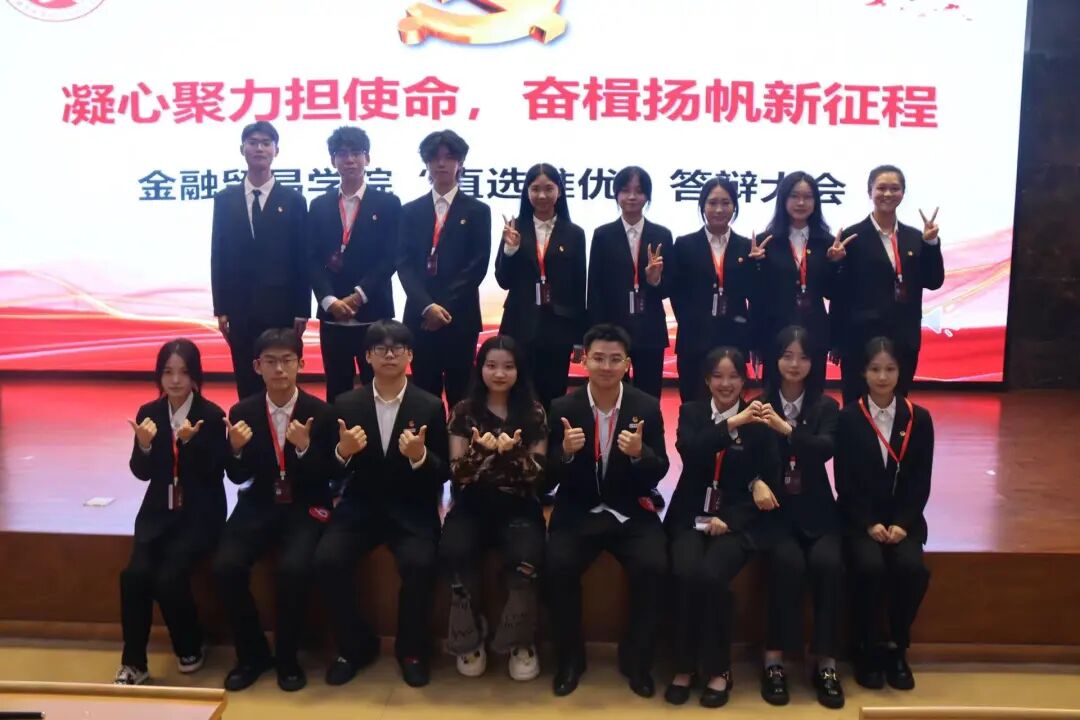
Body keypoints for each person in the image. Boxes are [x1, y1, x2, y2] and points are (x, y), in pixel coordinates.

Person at [314, 320, 449, 688]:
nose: (390, 354)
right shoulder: (346, 403)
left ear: (410, 356)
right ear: (367, 357)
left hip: (412, 507)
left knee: (421, 564)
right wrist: (343, 452)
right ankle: (354, 647)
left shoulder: (430, 405)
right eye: (380, 348)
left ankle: (412, 651)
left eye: (398, 348)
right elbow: (327, 469)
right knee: (327, 559)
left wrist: (421, 457)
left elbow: (444, 472)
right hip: (360, 504)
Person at [545, 324, 669, 698]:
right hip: (578, 509)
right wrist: (566, 453)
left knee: (654, 566)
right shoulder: (562, 407)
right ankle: (570, 660)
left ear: (627, 364)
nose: (606, 366)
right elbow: (546, 476)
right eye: (598, 358)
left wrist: (640, 455)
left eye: (615, 359)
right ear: (584, 360)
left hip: (630, 509)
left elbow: (660, 468)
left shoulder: (645, 406)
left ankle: (637, 660)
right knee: (558, 566)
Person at [211, 328, 338, 692]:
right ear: (257, 366)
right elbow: (237, 476)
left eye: (287, 360)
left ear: (301, 364)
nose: (279, 369)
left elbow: (329, 476)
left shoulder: (321, 412)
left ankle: (287, 659)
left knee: (294, 569)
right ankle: (251, 655)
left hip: (306, 505)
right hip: (260, 502)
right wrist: (235, 450)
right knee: (226, 566)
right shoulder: (243, 411)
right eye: (271, 361)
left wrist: (304, 449)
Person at [663, 346, 780, 708]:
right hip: (690, 516)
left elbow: (769, 478)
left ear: (744, 380)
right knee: (684, 572)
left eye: (733, 377)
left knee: (712, 575)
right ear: (706, 379)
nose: (725, 384)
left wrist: (729, 519)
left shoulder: (760, 420)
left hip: (737, 521)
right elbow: (692, 451)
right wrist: (732, 423)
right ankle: (683, 666)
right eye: (718, 376)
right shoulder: (692, 412)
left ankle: (718, 668)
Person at [115, 339, 228, 686]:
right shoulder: (148, 413)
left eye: (183, 372)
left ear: (195, 376)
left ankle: (190, 646)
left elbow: (214, 473)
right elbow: (142, 472)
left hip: (199, 513)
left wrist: (190, 443)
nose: (176, 380)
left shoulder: (211, 415)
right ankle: (134, 663)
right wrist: (144, 445)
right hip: (158, 512)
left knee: (169, 576)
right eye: (168, 372)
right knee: (133, 576)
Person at [440, 335, 548, 681]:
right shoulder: (464, 411)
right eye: (491, 365)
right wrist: (481, 454)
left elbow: (538, 476)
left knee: (526, 556)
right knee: (455, 550)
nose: (499, 373)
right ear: (480, 369)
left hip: (519, 505)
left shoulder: (533, 412)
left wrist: (514, 454)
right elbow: (457, 475)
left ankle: (520, 640)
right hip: (472, 503)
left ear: (519, 371)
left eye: (508, 366)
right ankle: (469, 634)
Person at [835, 336, 934, 691]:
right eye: (875, 369)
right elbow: (843, 480)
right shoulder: (849, 417)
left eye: (889, 369)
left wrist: (903, 523)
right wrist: (868, 523)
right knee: (869, 567)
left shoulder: (919, 418)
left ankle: (897, 646)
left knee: (912, 569)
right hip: (860, 520)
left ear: (900, 372)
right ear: (863, 372)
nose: (882, 377)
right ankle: (865, 646)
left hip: (903, 522)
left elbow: (921, 479)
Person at [755, 326, 845, 708]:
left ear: (814, 362)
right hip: (775, 513)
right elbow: (748, 459)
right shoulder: (759, 404)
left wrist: (787, 430)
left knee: (829, 565)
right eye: (787, 355)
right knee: (786, 565)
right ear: (774, 360)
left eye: (804, 357)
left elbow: (824, 450)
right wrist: (756, 482)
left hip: (818, 512)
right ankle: (774, 659)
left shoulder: (826, 407)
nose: (795, 364)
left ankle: (825, 662)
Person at [211, 121, 310, 400]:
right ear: (242, 149)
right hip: (240, 308)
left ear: (276, 150)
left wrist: (302, 309)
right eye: (253, 142)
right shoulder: (225, 199)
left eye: (266, 143)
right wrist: (221, 308)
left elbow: (302, 257)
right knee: (246, 376)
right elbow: (218, 254)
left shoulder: (293, 200)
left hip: (281, 308)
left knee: (281, 378)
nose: (259, 148)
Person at [830, 165, 944, 403]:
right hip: (860, 338)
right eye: (881, 188)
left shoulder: (916, 237)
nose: (888, 194)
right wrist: (836, 342)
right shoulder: (852, 237)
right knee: (856, 405)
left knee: (898, 403)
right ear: (869, 192)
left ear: (903, 193)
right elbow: (839, 295)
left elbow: (933, 281)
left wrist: (931, 245)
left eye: (895, 188)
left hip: (903, 338)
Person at [397, 129, 492, 410]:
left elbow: (477, 265)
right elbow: (403, 264)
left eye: (449, 157)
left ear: (460, 162)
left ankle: (460, 440)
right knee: (423, 395)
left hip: (460, 317)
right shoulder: (410, 211)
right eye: (435, 158)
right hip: (420, 317)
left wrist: (444, 308)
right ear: (426, 163)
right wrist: (427, 307)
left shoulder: (477, 211)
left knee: (461, 394)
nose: (442, 164)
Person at [307, 126, 402, 402]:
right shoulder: (319, 205)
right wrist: (329, 300)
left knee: (379, 388)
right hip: (332, 315)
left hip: (373, 312)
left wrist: (359, 295)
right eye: (342, 153)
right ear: (333, 160)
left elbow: (391, 257)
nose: (349, 160)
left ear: (367, 158)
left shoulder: (388, 203)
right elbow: (311, 258)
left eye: (356, 153)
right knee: (337, 388)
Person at [494, 163, 587, 410]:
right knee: (518, 393)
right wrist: (510, 249)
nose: (542, 195)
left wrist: (579, 339)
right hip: (519, 325)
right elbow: (503, 280)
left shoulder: (574, 233)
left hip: (558, 329)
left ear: (560, 191)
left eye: (549, 188)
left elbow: (579, 288)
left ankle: (551, 435)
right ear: (526, 192)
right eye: (535, 189)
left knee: (554, 394)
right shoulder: (514, 228)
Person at [586, 166, 674, 399]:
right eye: (625, 191)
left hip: (650, 329)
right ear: (616, 194)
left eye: (639, 191)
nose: (632, 197)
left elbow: (671, 286)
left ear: (647, 196)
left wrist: (655, 280)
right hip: (613, 328)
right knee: (611, 393)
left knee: (649, 394)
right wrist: (595, 333)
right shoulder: (603, 235)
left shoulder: (662, 235)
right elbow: (594, 288)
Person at [670, 177, 755, 402]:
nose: (719, 209)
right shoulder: (684, 245)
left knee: (731, 402)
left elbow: (753, 293)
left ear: (735, 206)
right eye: (712, 202)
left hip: (734, 338)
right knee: (692, 403)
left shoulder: (746, 247)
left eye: (726, 203)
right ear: (702, 205)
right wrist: (691, 321)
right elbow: (677, 293)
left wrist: (757, 266)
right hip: (694, 340)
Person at [751, 172, 838, 391]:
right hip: (775, 332)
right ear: (783, 199)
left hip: (814, 331)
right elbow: (757, 296)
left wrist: (836, 264)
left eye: (807, 197)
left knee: (813, 394)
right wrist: (756, 266)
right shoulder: (765, 242)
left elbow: (833, 292)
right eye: (794, 196)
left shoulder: (828, 243)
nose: (801, 203)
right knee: (773, 394)